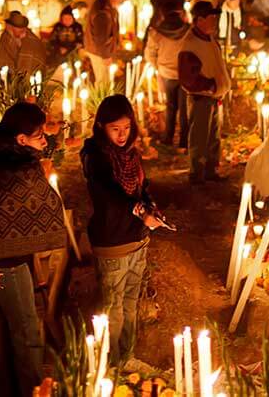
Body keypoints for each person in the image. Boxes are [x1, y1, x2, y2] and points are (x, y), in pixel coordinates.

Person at [0, 106, 64, 397]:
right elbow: (46, 206)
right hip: (10, 268)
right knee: (27, 335)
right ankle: (33, 391)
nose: (44, 142)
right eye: (40, 136)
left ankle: (0, 391)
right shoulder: (23, 167)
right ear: (21, 140)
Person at [81, 95, 164, 362]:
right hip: (113, 241)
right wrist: (141, 211)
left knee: (130, 302)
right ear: (101, 126)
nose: (121, 135)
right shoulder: (96, 157)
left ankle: (126, 360)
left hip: (137, 239)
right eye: (115, 129)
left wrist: (151, 207)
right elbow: (110, 195)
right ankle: (111, 365)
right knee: (113, 308)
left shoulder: (130, 155)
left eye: (126, 128)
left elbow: (142, 188)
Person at [177, 1, 231, 184]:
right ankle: (197, 172)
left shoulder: (208, 39)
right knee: (200, 136)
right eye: (211, 17)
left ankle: (210, 170)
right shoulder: (191, 43)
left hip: (213, 97)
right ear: (199, 20)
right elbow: (188, 77)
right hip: (202, 97)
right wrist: (210, 86)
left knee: (213, 136)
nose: (214, 21)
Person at [145, 3, 190, 147]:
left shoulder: (157, 33)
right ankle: (184, 140)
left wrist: (157, 66)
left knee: (170, 106)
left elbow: (149, 53)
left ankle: (168, 137)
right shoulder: (188, 31)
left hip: (166, 73)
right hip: (184, 74)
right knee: (184, 109)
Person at [85, 0, 126, 85]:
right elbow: (101, 37)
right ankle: (102, 99)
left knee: (106, 80)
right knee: (103, 81)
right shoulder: (102, 12)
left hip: (101, 51)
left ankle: (105, 98)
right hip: (99, 52)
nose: (119, 3)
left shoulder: (108, 8)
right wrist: (105, 56)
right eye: (119, 0)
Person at [0, 11, 47, 76]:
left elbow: (31, 62)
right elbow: (2, 56)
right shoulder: (6, 36)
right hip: (9, 75)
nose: (7, 28)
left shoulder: (32, 40)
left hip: (31, 75)